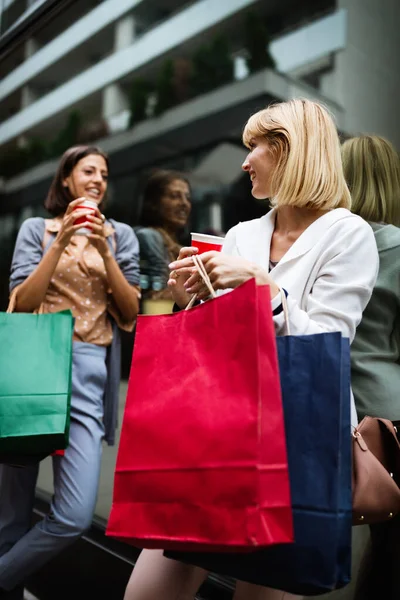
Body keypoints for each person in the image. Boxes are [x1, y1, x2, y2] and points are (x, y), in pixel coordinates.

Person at [123, 99, 379, 600]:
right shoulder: (241, 234)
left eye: (255, 146)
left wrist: (267, 291)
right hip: (217, 432)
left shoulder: (348, 234)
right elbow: (216, 343)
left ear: (289, 151)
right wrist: (187, 304)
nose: (245, 161)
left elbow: (330, 344)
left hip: (295, 444)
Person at [0, 145, 140, 598]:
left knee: (76, 515)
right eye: (88, 170)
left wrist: (102, 248)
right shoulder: (36, 230)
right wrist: (61, 241)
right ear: (66, 180)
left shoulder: (121, 236)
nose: (98, 179)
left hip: (88, 370)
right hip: (35, 365)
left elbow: (131, 311)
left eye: (104, 172)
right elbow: (21, 302)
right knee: (11, 515)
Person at [341, 135, 400, 600]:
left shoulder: (324, 242)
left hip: (333, 403)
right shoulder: (398, 247)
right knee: (390, 537)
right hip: (388, 413)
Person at [135, 169, 191, 298]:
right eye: (174, 196)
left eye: (187, 198)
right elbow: (156, 295)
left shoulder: (176, 245)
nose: (184, 203)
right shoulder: (149, 236)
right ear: (155, 203)